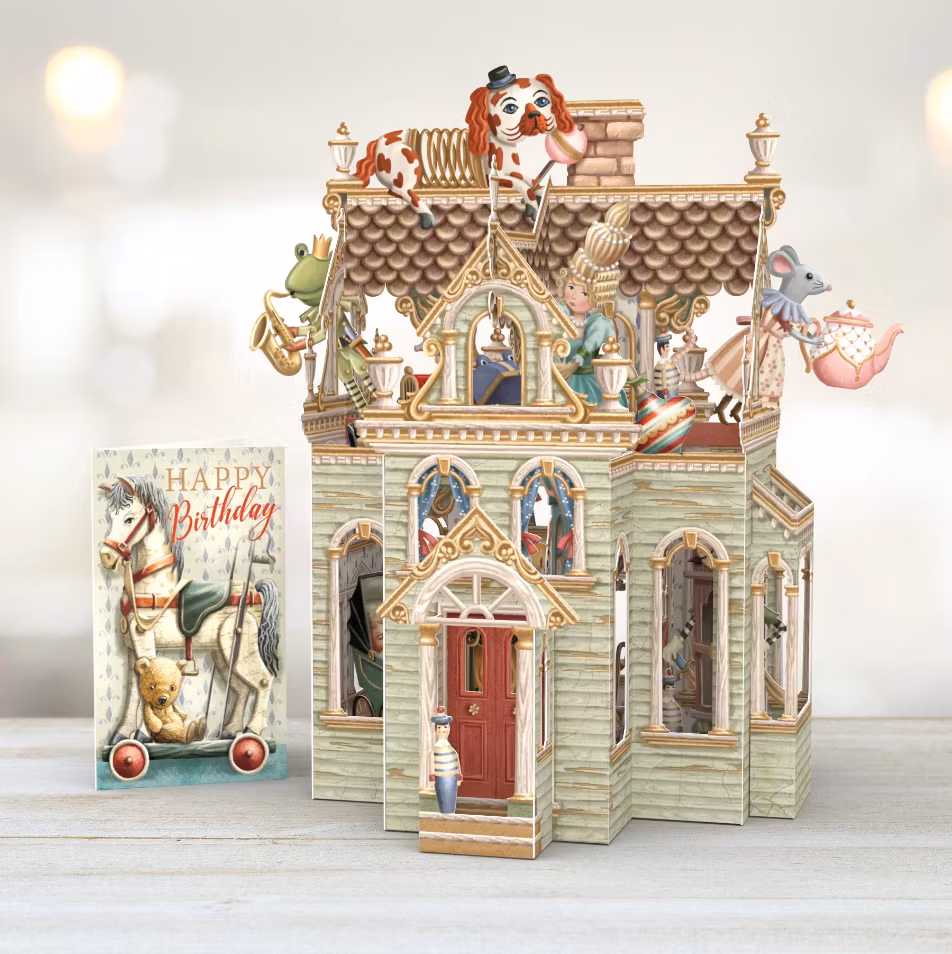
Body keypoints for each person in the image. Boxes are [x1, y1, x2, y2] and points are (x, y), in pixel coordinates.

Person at [428, 706, 462, 814]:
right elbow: (432, 763)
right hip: (441, 778)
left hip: (452, 778)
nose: (442, 730)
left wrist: (459, 775)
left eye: (445, 727)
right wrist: (432, 777)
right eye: (439, 727)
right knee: (444, 801)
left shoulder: (451, 750)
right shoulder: (435, 750)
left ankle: (450, 814)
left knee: (451, 801)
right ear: (436, 730)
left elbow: (456, 760)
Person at [653, 333, 680, 399]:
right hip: (667, 393)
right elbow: (664, 378)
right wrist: (665, 391)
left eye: (668, 346)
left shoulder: (668, 362)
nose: (669, 348)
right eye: (667, 346)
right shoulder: (662, 364)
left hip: (673, 391)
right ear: (661, 349)